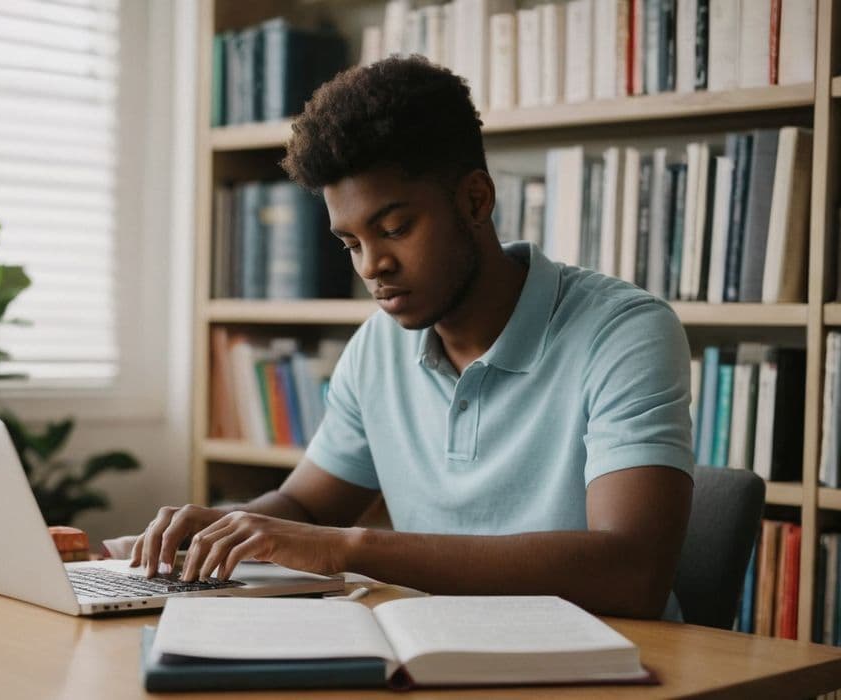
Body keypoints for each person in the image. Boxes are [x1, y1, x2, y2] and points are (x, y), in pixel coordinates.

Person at [131, 56, 694, 620]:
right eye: (350, 243)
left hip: (609, 665)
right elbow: (306, 504)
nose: (373, 266)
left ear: (475, 200)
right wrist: (227, 528)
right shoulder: (377, 347)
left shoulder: (623, 332)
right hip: (440, 653)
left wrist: (348, 548)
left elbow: (632, 572)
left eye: (394, 229)